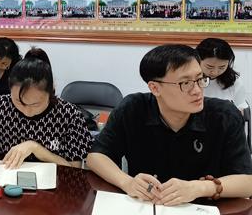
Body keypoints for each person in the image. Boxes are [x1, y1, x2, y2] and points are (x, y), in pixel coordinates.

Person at [87, 44, 252, 206]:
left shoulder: (224, 116)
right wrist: (127, 182)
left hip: (207, 211)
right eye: (185, 83)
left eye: (200, 79)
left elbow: (247, 182)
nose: (197, 90)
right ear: (155, 88)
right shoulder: (133, 108)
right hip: (147, 208)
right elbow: (96, 156)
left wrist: (200, 188)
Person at [0, 48, 93, 169]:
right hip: (4, 179)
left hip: (54, 186)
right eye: (19, 102)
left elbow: (74, 170)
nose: (27, 111)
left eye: (35, 104)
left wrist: (36, 148)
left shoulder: (69, 115)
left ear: (51, 92)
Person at [196, 38, 247, 112]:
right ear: (198, 60)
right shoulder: (189, 79)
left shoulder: (234, 81)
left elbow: (241, 107)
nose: (215, 72)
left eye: (222, 67)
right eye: (210, 67)